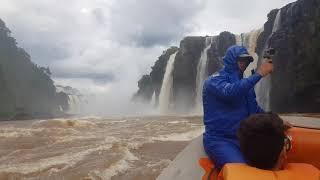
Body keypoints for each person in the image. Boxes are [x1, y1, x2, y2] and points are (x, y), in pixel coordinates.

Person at [202, 45, 273, 169]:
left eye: (246, 61)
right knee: (241, 171)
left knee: (269, 162)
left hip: (244, 138)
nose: (244, 63)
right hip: (220, 140)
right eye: (241, 60)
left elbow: (254, 110)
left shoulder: (245, 84)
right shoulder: (214, 80)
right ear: (231, 59)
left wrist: (275, 120)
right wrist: (259, 74)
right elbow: (230, 92)